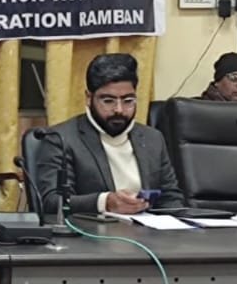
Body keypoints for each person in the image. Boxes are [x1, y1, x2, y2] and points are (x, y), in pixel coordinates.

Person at [33, 53, 184, 217]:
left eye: (128, 101)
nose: (119, 110)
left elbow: (171, 198)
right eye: (108, 101)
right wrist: (104, 202)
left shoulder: (153, 138)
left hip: (149, 230)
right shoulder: (61, 139)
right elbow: (52, 202)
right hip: (93, 231)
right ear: (89, 98)